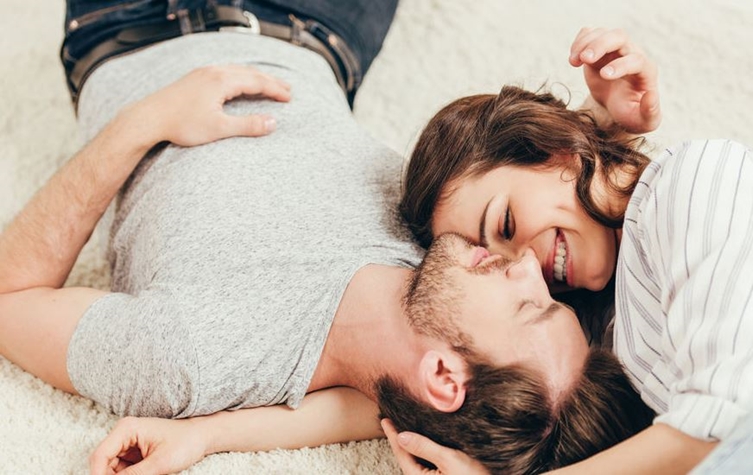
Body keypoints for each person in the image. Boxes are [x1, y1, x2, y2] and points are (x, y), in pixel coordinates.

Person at [0, 5, 654, 475]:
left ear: (444, 375)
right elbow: (376, 406)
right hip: (325, 27)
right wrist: (611, 123)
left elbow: (10, 296)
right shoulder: (441, 242)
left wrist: (144, 123)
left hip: (133, 24)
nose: (529, 269)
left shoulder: (184, 358)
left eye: (530, 306)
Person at [390, 26, 753, 474]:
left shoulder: (696, 178)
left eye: (506, 225)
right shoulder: (599, 325)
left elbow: (715, 426)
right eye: (491, 262)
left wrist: (589, 130)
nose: (526, 266)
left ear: (551, 150)